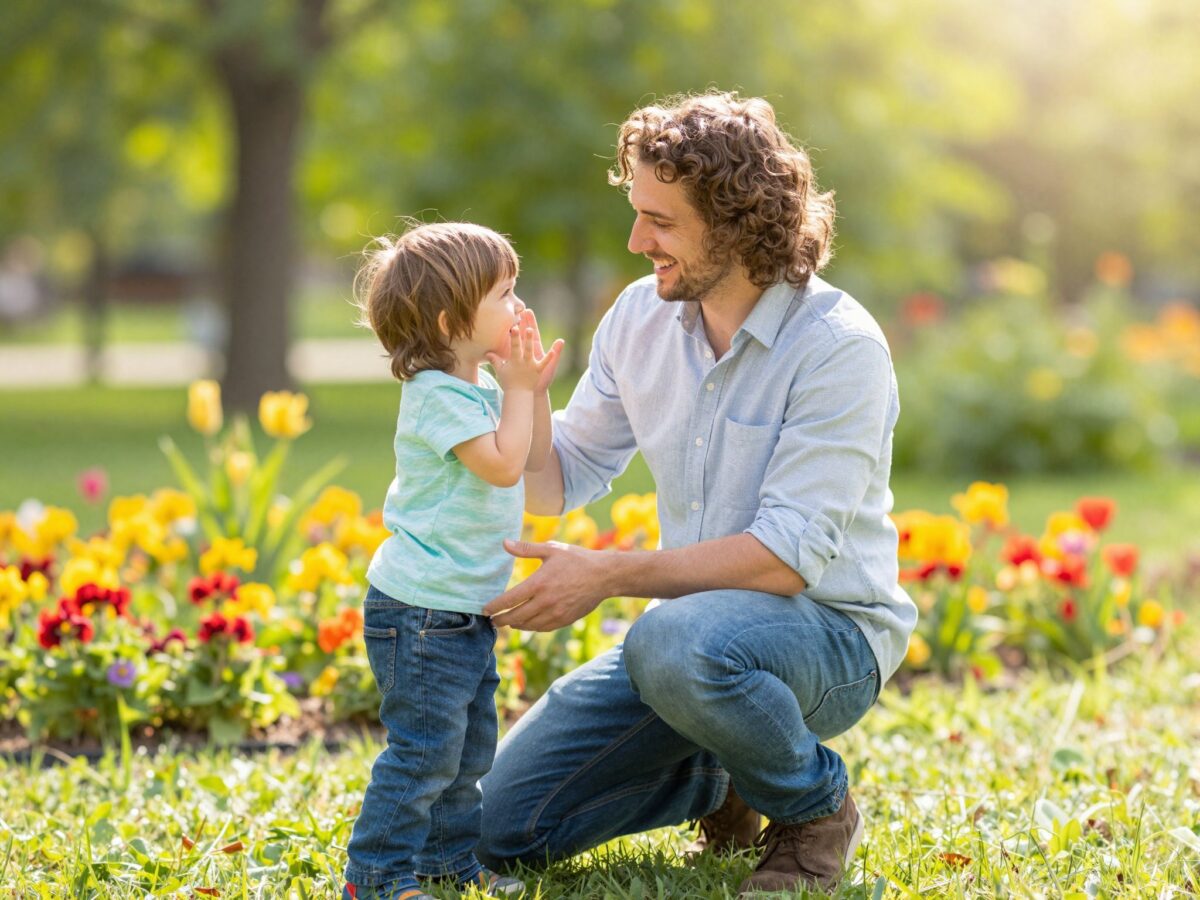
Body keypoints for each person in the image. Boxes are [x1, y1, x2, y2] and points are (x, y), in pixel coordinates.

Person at [477, 92, 917, 895]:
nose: (637, 240)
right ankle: (728, 778)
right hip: (692, 642)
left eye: (663, 221)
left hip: (832, 637)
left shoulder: (837, 348)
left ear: (739, 220)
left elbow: (786, 561)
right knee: (504, 824)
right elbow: (554, 482)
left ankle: (815, 811)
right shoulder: (639, 320)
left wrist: (606, 574)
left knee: (673, 643)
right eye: (637, 212)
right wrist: (523, 397)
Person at [342, 222, 563, 900]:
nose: (518, 307)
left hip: (461, 612)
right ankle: (374, 877)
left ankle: (445, 864)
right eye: (503, 294)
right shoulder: (436, 395)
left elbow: (532, 461)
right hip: (421, 612)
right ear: (450, 320)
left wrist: (534, 388)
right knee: (424, 753)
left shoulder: (482, 392)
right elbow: (500, 468)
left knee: (468, 752)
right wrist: (518, 391)